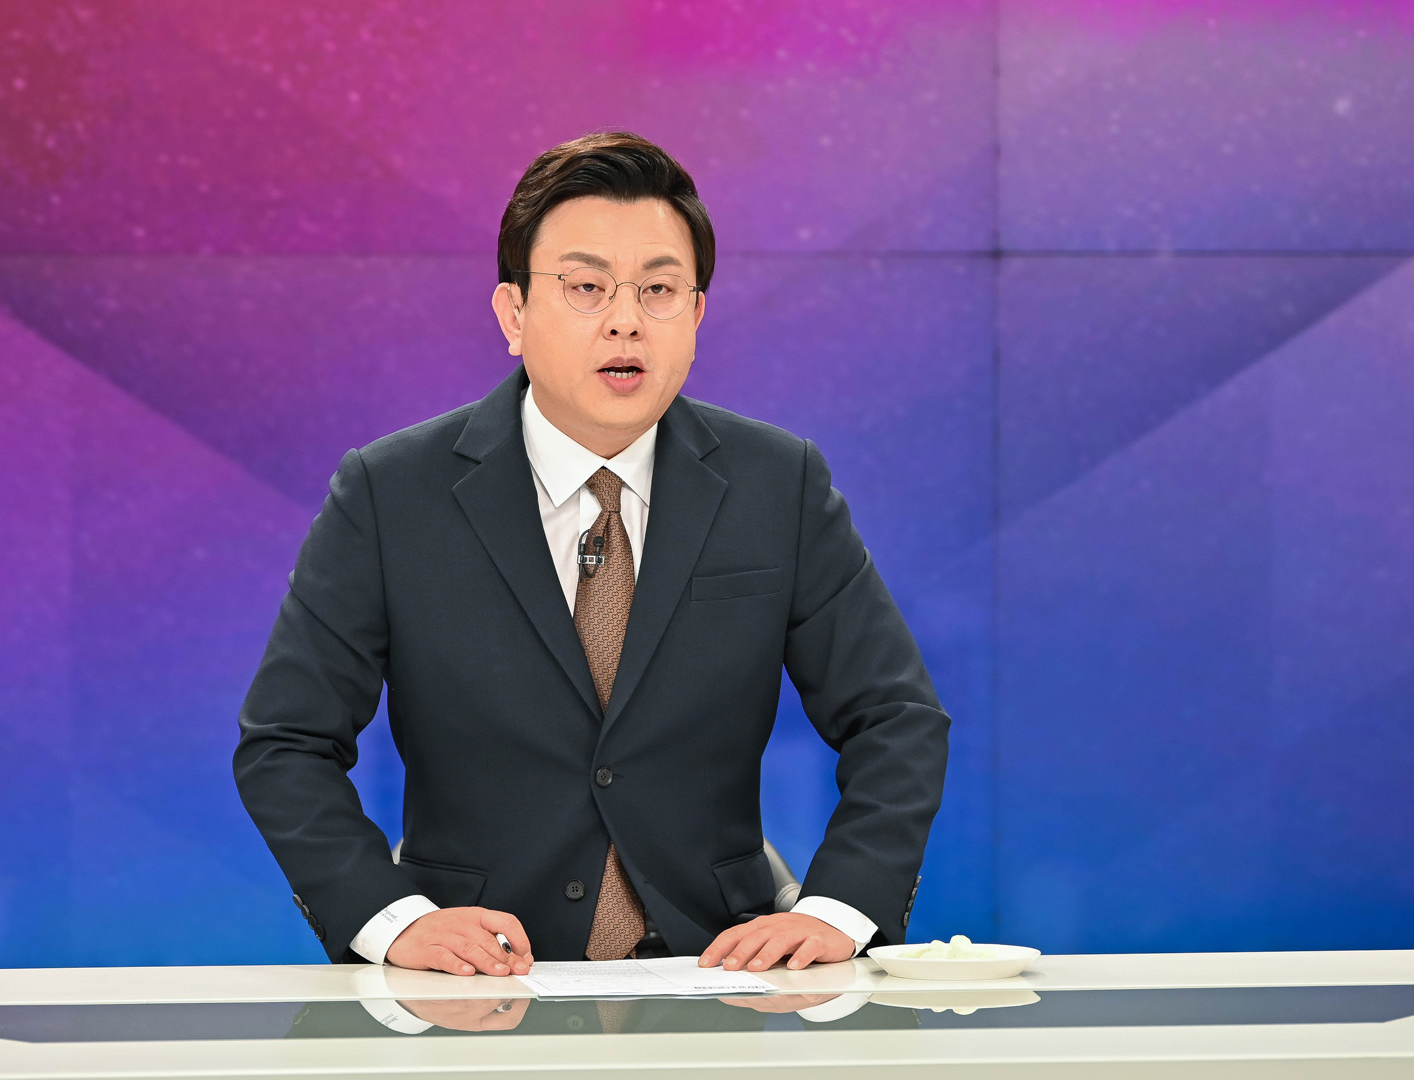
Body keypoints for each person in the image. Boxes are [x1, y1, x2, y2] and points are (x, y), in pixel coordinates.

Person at [234, 131, 949, 981]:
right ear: (512, 314)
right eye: (585, 287)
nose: (624, 319)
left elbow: (895, 719)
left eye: (659, 289)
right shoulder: (391, 494)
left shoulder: (776, 483)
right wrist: (390, 920)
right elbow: (286, 742)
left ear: (696, 317)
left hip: (715, 980)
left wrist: (838, 909)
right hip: (473, 983)